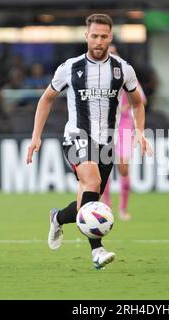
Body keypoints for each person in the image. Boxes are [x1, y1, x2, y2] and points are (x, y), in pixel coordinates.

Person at [26, 13, 152, 269]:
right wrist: (36, 136)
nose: (98, 41)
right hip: (76, 137)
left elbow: (138, 102)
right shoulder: (69, 67)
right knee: (93, 182)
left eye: (103, 37)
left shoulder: (122, 69)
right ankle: (97, 251)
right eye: (94, 36)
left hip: (106, 142)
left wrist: (139, 130)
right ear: (86, 36)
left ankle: (58, 217)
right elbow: (46, 98)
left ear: (110, 37)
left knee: (90, 202)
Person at [101, 44, 147, 221]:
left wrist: (126, 105)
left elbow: (141, 99)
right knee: (103, 166)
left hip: (124, 125)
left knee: (123, 166)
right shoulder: (98, 77)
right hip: (105, 125)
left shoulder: (126, 73)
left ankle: (123, 206)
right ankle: (107, 205)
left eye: (113, 52)